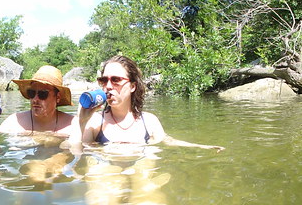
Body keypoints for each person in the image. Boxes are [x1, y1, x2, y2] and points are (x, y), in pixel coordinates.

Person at [77, 55, 223, 151]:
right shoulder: (95, 121)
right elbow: (74, 150)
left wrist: (203, 147)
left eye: (116, 80)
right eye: (104, 80)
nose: (108, 86)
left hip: (141, 173)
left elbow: (168, 141)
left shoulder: (149, 121)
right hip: (107, 176)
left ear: (133, 86)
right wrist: (81, 123)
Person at [0, 65, 76, 136]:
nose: (35, 99)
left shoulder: (73, 125)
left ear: (58, 97)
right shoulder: (13, 122)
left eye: (43, 94)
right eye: (31, 93)